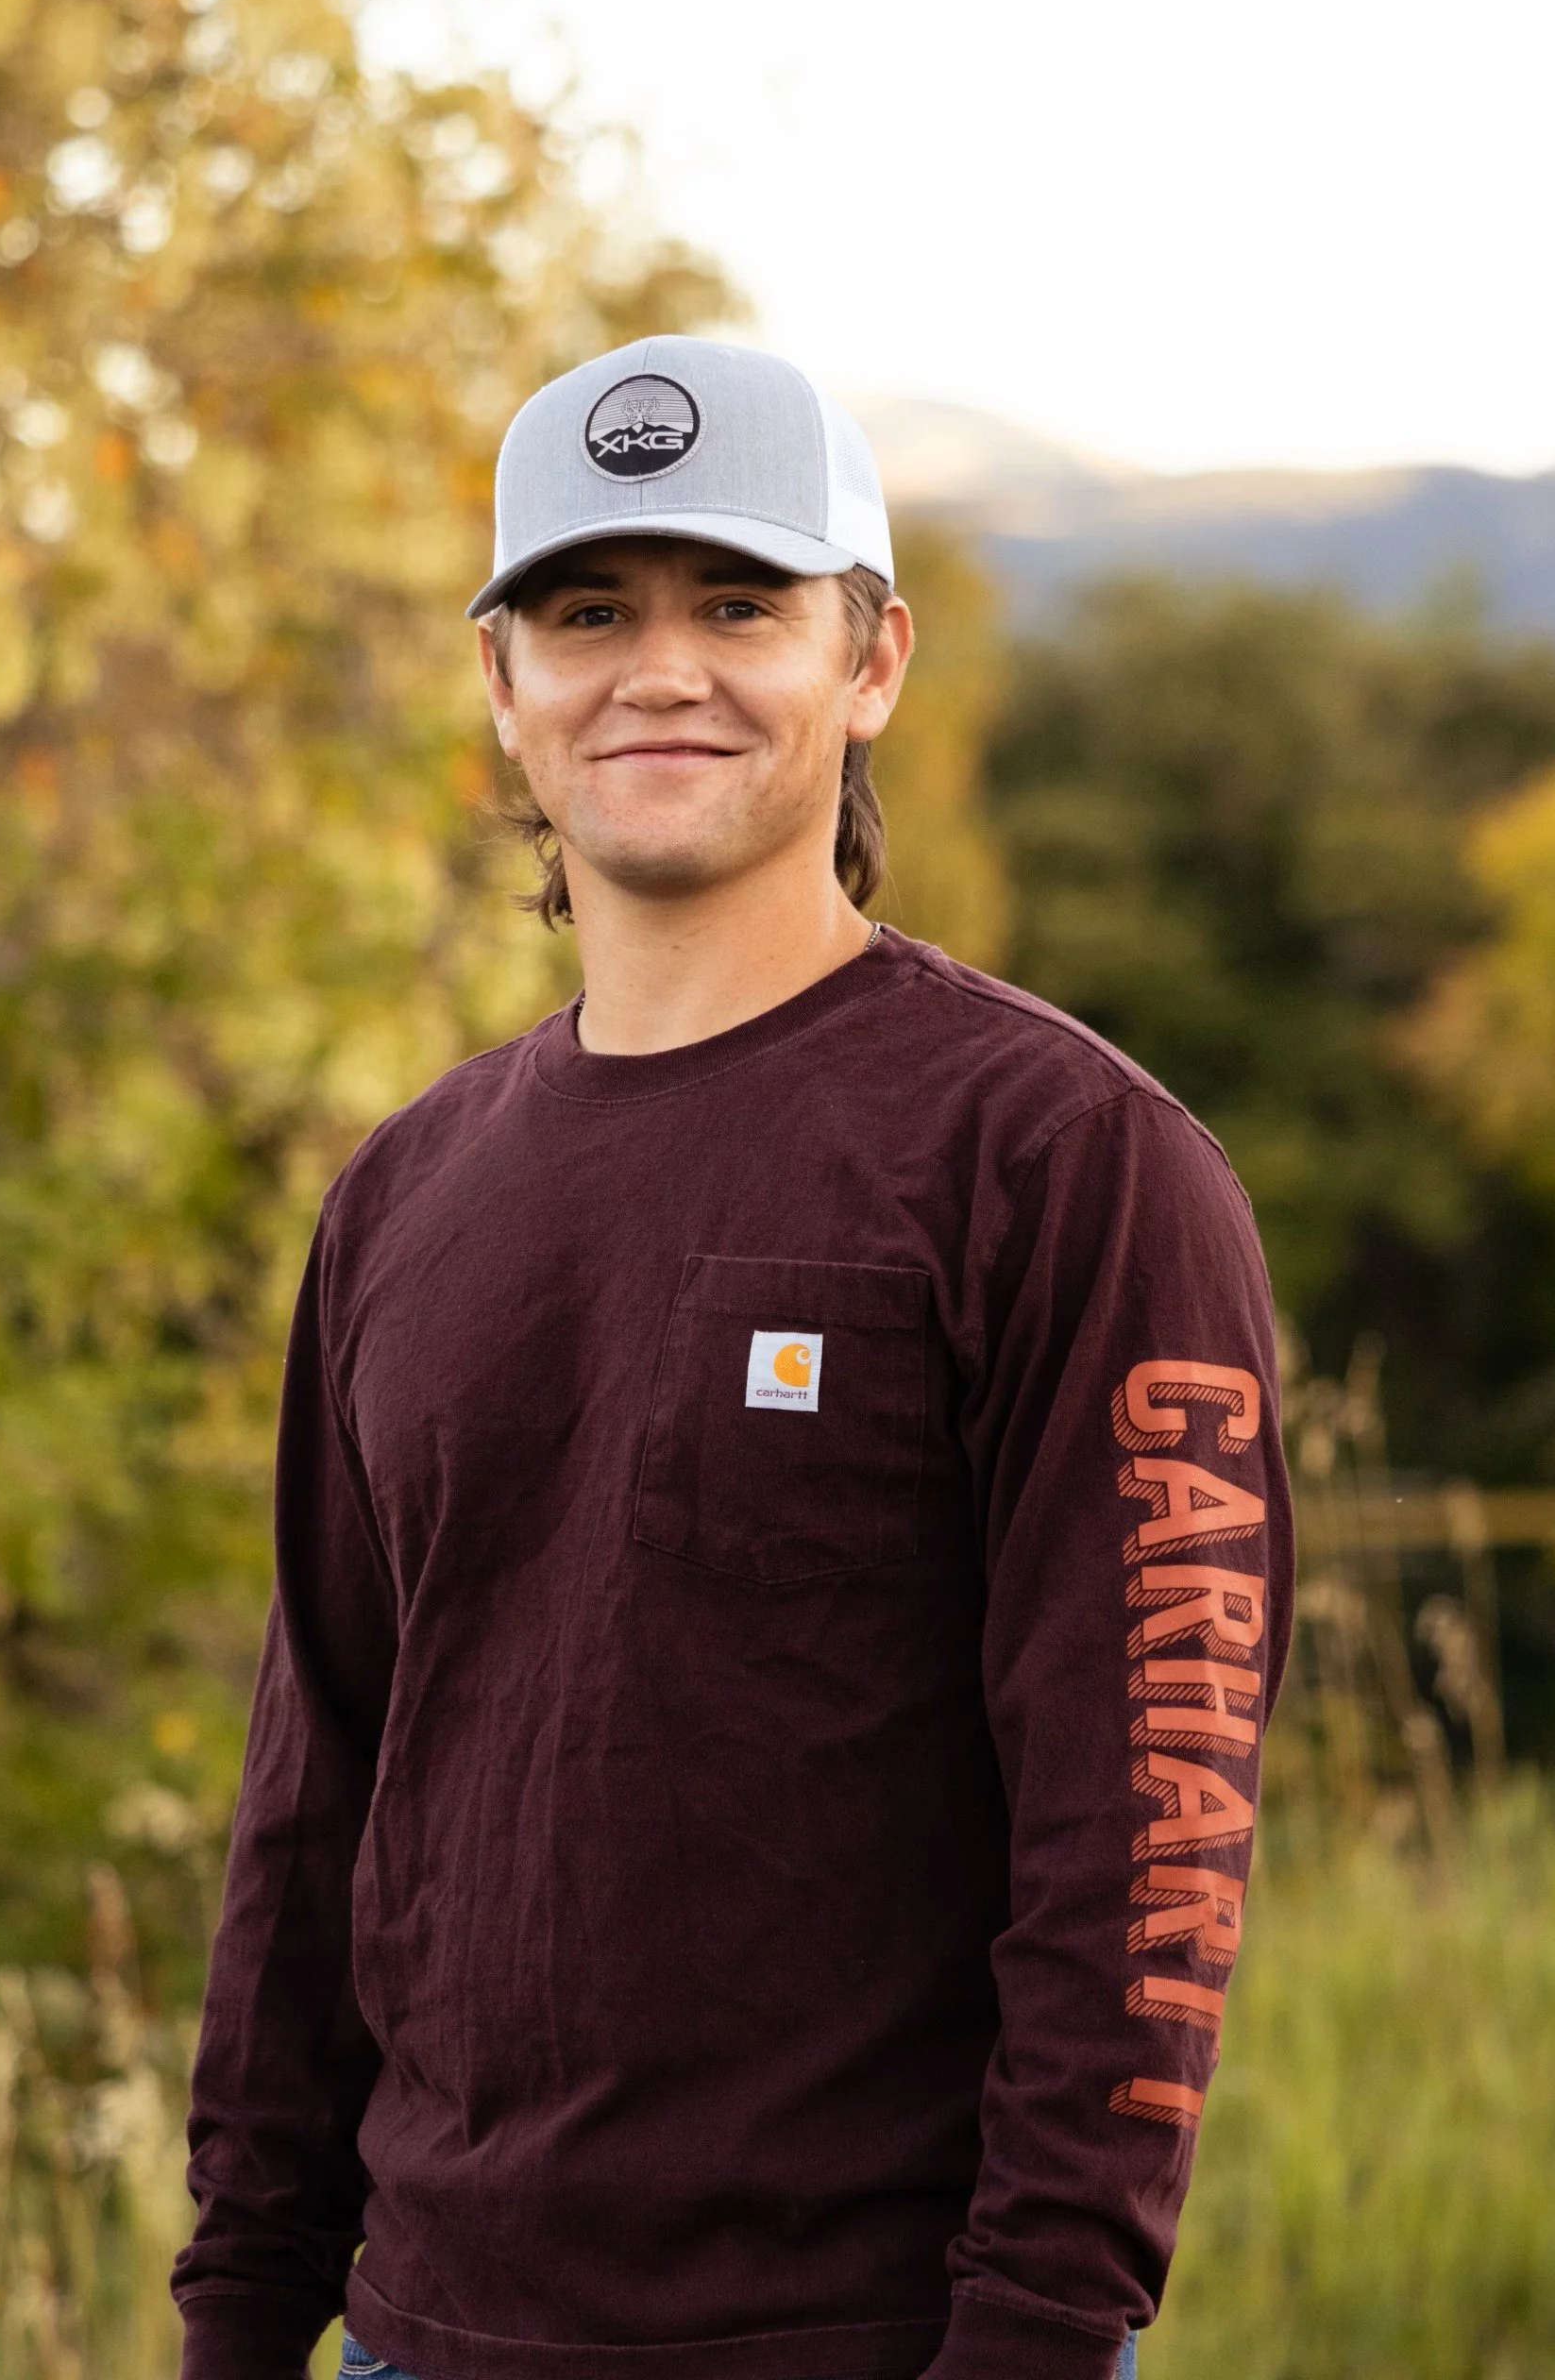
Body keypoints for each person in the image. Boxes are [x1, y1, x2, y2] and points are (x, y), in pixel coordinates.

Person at [172, 337, 1294, 2380]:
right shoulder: (404, 1192)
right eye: (590, 612)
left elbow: (1147, 1842)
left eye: (741, 606)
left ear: (872, 662)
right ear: (501, 681)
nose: (660, 672)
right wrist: (244, 2306)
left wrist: (1038, 2331)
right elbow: (317, 1798)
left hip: (871, 2342)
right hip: (417, 2336)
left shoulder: (1065, 1164)